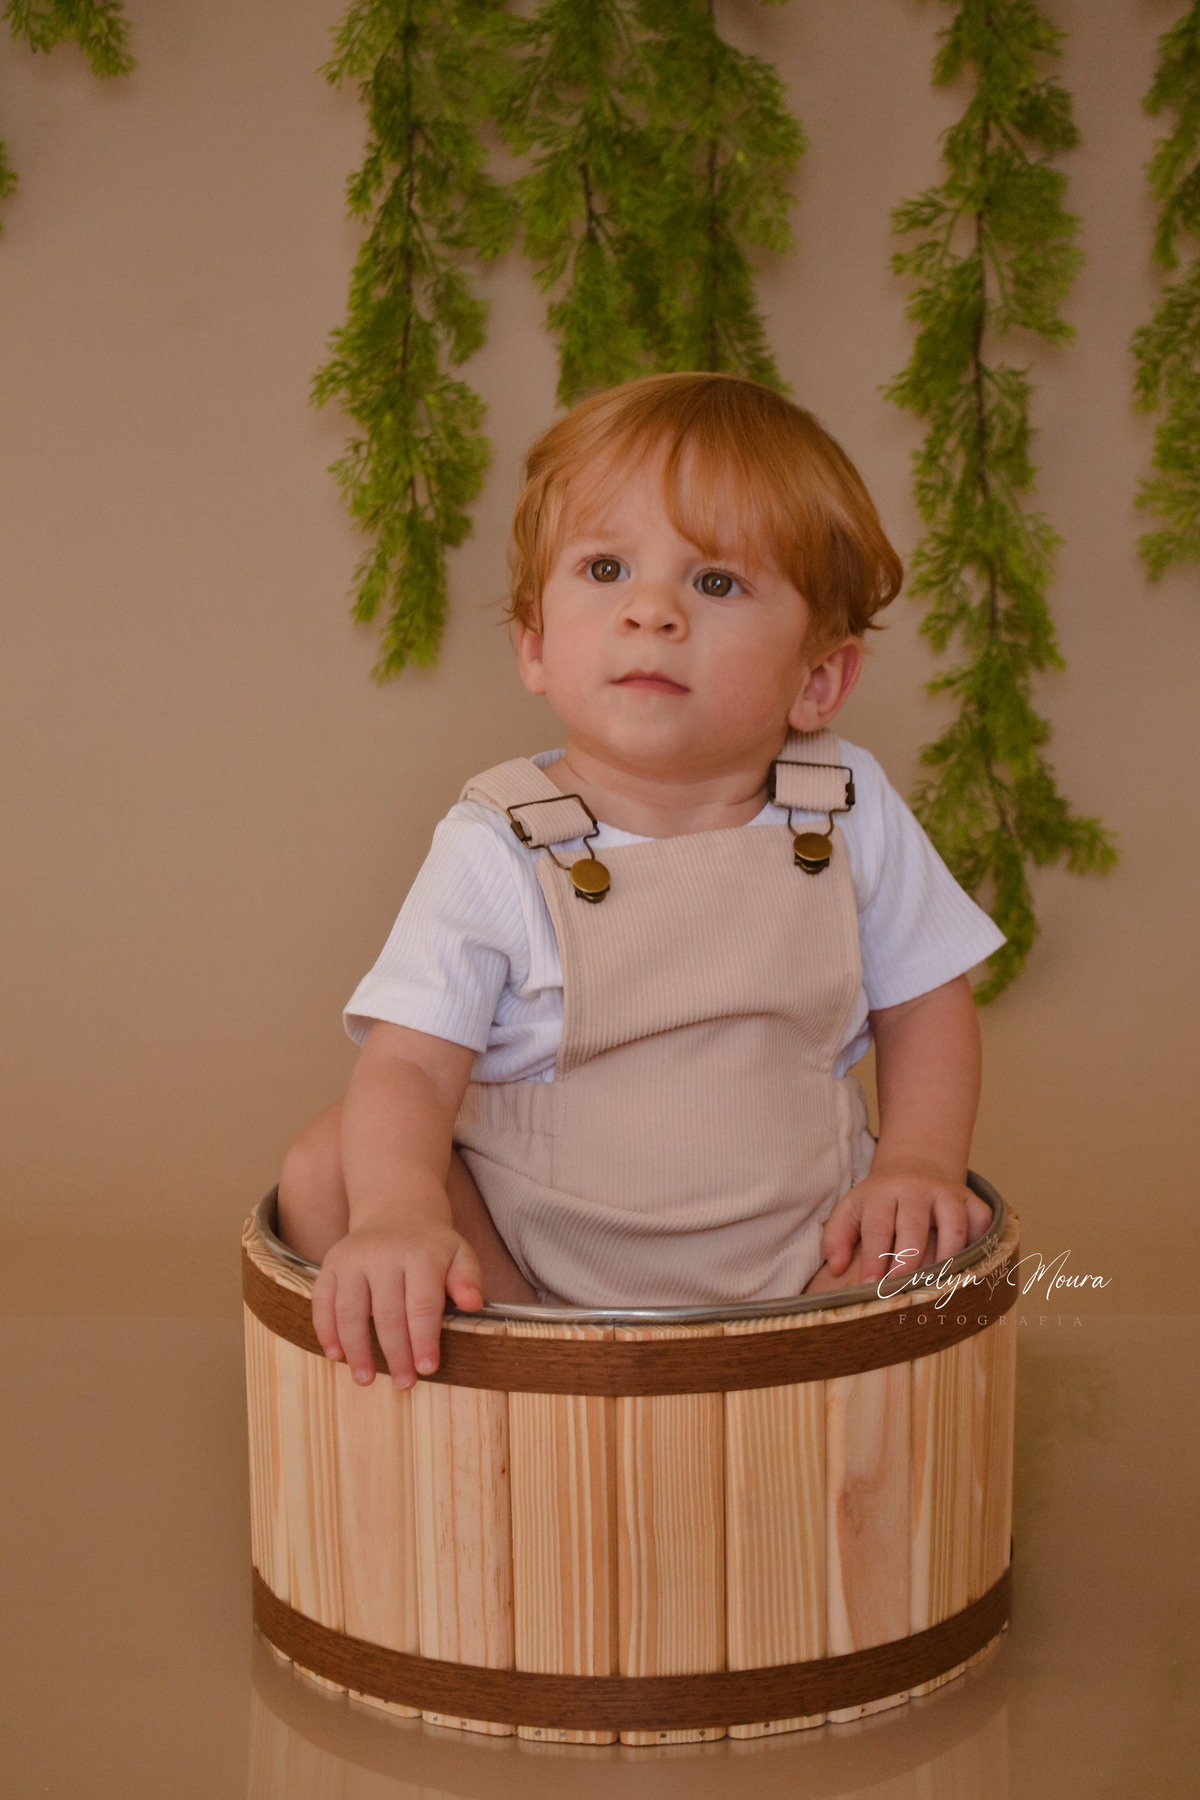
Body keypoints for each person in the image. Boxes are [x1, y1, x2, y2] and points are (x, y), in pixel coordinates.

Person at [277, 373, 1004, 1392]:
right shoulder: (498, 842)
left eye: (717, 583)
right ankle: (511, 1389)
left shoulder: (845, 805)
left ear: (818, 679)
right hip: (522, 1273)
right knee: (327, 1167)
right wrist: (402, 1213)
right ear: (537, 644)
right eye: (607, 568)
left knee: (937, 1238)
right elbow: (410, 1068)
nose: (652, 611)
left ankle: (807, 1403)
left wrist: (916, 1162)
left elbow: (926, 1003)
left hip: (805, 1259)